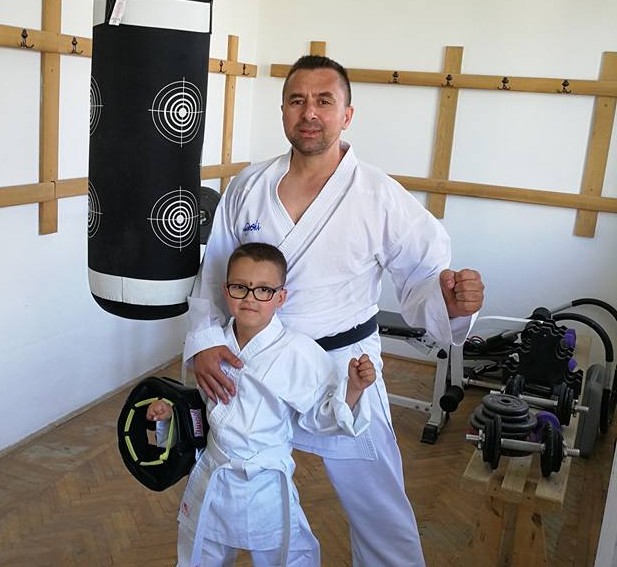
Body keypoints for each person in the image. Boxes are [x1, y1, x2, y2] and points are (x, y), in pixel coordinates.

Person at [184, 55, 485, 566]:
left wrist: (451, 302)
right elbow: (215, 275)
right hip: (254, 368)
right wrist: (206, 343)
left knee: (380, 512)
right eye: (297, 100)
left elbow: (424, 275)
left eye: (324, 101)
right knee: (233, 482)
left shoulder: (378, 194)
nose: (310, 112)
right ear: (283, 111)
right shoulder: (248, 187)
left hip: (346, 370)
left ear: (347, 114)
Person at [151, 242, 377, 567]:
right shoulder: (213, 347)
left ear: (280, 297)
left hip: (266, 484)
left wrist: (353, 389)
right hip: (215, 476)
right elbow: (200, 408)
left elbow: (322, 416)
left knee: (289, 557)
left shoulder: (298, 352)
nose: (250, 298)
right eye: (240, 287)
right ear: (226, 290)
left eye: (263, 290)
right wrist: (170, 416)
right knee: (198, 557)